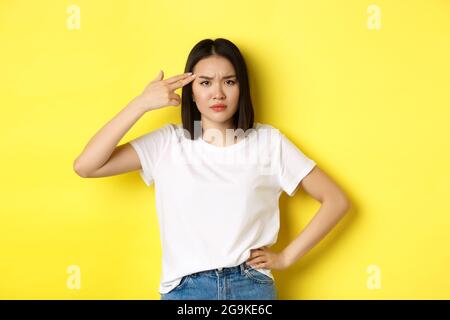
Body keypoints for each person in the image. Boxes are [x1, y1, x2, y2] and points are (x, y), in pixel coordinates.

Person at [73, 38, 351, 300]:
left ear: (241, 88)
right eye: (205, 82)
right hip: (186, 290)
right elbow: (86, 166)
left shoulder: (269, 142)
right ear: (191, 92)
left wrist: (287, 257)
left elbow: (336, 200)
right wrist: (141, 103)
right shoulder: (168, 143)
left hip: (250, 287)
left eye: (229, 81)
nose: (218, 93)